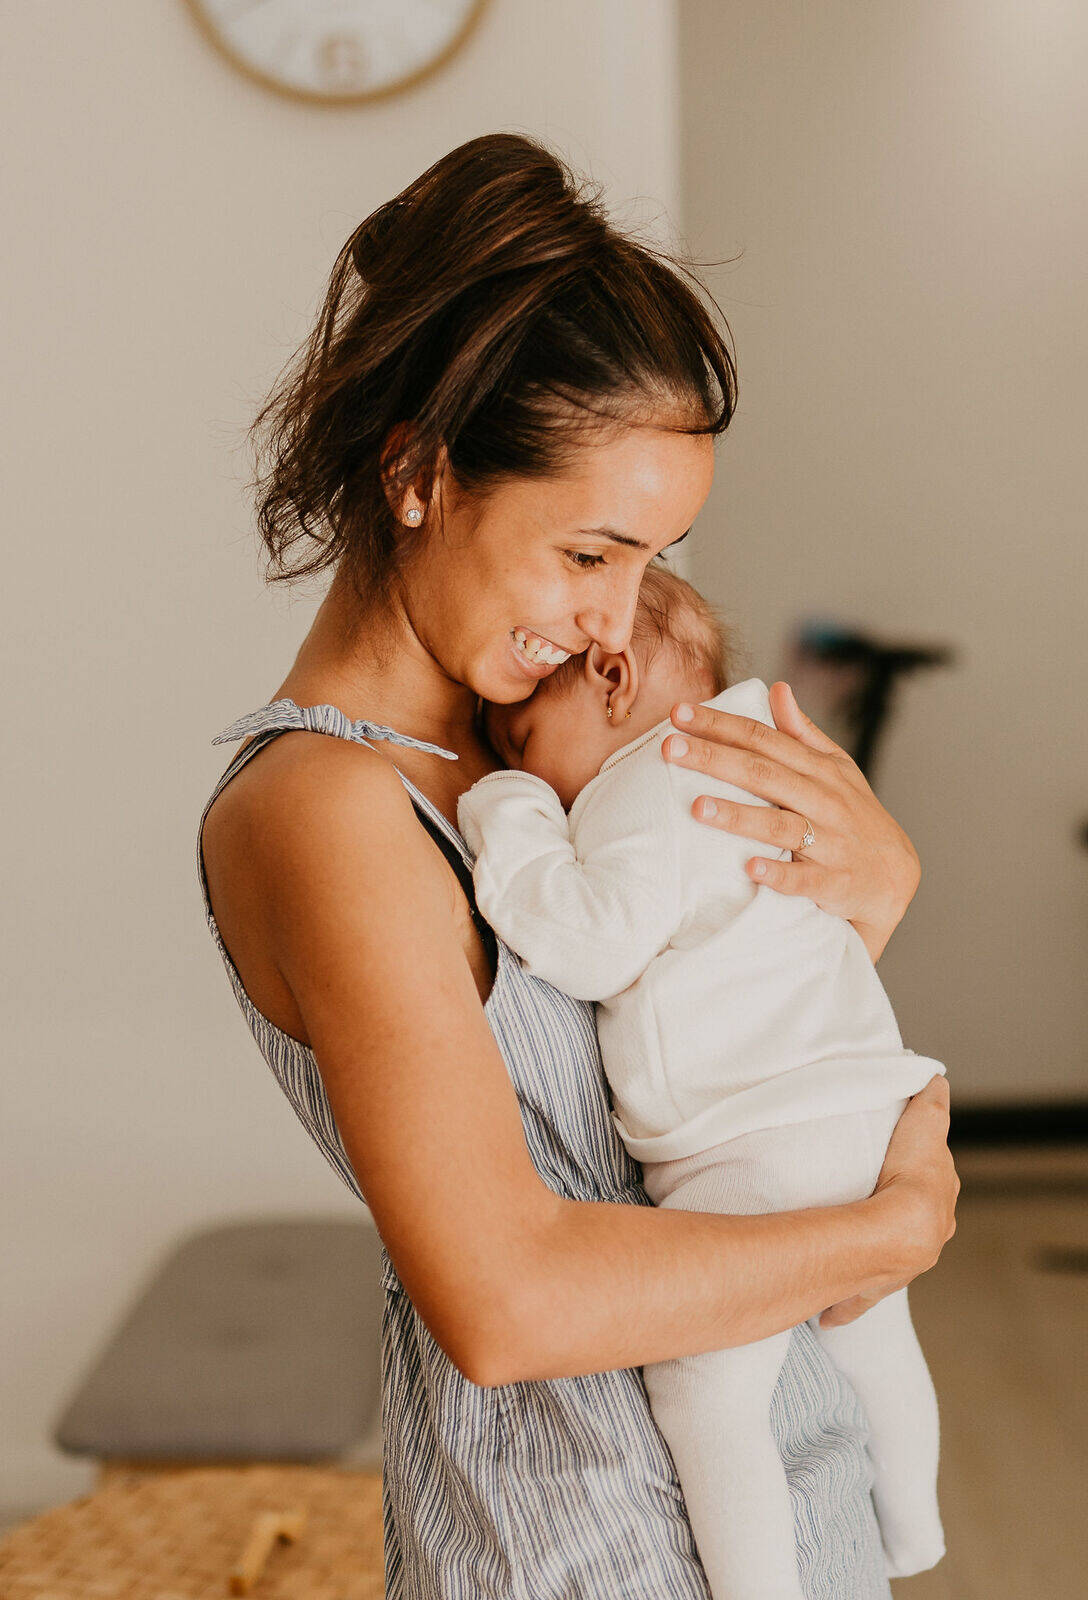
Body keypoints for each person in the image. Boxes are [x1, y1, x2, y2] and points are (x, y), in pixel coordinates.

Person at [196, 132, 958, 1600]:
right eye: (589, 554)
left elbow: (686, 1078)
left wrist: (865, 901)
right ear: (419, 472)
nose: (620, 631)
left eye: (650, 567)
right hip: (580, 1555)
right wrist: (889, 1224)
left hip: (793, 1498)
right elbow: (508, 1299)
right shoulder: (333, 810)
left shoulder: (541, 763)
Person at [456, 565, 947, 1597]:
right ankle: (912, 1527)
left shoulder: (646, 782)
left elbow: (586, 943)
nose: (535, 773)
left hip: (750, 1141)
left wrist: (506, 810)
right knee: (872, 1327)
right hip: (861, 1100)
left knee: (704, 1393)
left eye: (525, 742)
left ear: (611, 676)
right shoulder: (752, 767)